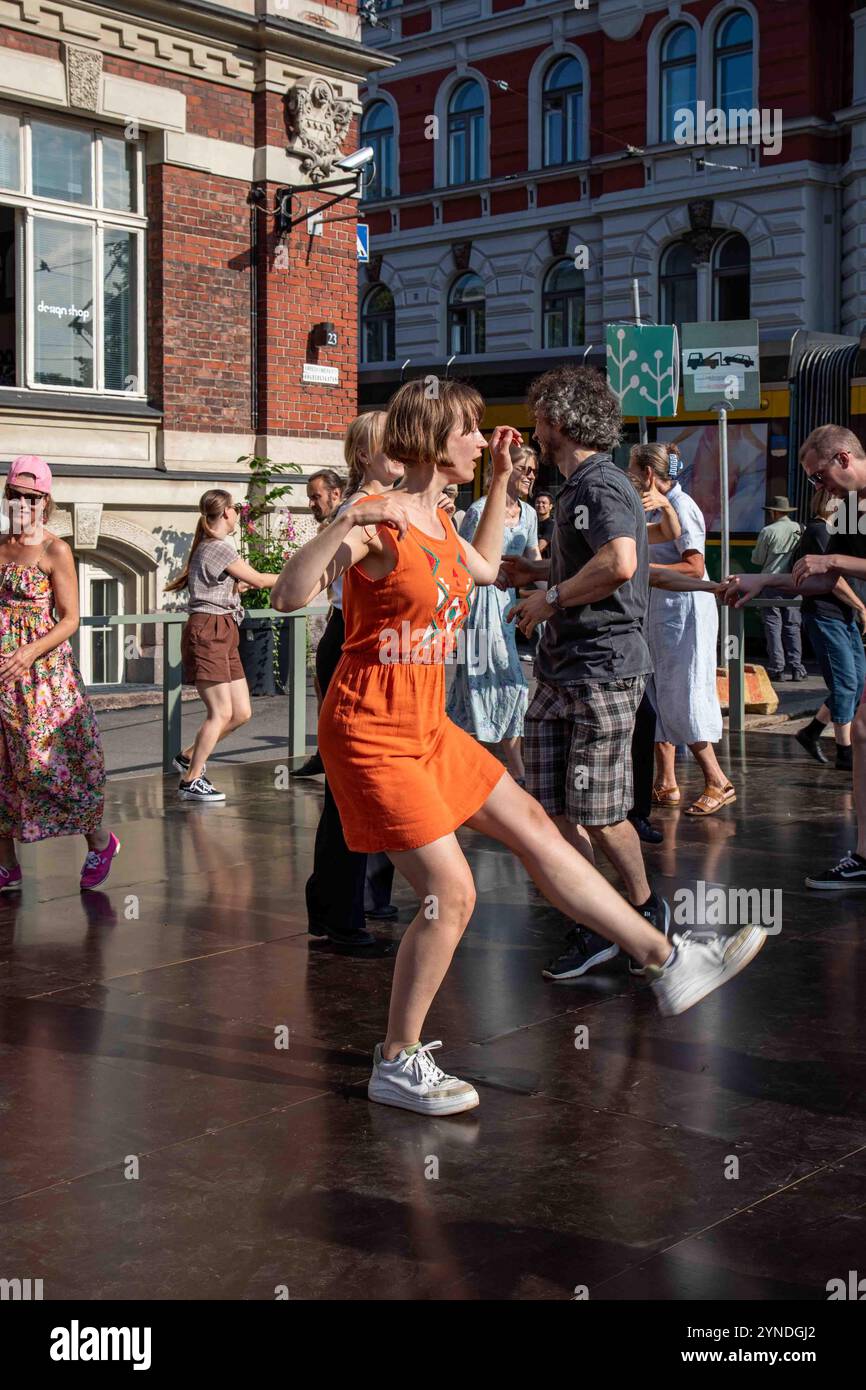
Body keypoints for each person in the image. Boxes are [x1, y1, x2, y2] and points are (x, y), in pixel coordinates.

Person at [271, 377, 764, 1116]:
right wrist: (343, 521)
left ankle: (667, 961)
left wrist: (499, 482)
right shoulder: (381, 523)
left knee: (536, 823)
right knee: (453, 892)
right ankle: (398, 1059)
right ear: (436, 439)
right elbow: (288, 595)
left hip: (428, 725)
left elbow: (481, 568)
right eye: (472, 432)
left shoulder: (437, 519)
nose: (484, 439)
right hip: (370, 732)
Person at [505, 370, 694, 979]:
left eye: (538, 416)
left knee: (601, 808)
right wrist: (530, 573)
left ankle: (646, 910)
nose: (534, 428)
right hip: (564, 669)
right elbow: (599, 565)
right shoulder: (578, 487)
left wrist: (549, 596)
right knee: (553, 805)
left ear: (558, 420)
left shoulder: (601, 483)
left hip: (602, 669)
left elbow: (621, 563)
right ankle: (596, 924)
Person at [724, 425, 866, 889]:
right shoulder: (848, 510)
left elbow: (834, 569)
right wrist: (763, 582)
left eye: (818, 475)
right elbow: (822, 580)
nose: (818, 488)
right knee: (860, 730)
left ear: (843, 459)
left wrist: (836, 563)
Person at [305, 411, 403, 954]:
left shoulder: (396, 503)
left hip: (383, 647)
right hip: (352, 643)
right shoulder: (357, 509)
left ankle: (355, 898)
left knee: (367, 785)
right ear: (363, 454)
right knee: (351, 788)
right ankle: (342, 910)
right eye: (390, 445)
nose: (401, 450)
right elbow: (316, 584)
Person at [0, 455, 119, 891]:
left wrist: (29, 651)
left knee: (46, 764)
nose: (23, 504)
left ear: (45, 502)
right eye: (15, 495)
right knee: (2, 766)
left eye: (32, 498)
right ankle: (6, 864)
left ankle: (101, 842)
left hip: (41, 675)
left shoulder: (55, 549)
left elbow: (69, 619)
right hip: (1, 674)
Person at [628, 443, 735, 818]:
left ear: (649, 475)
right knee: (658, 690)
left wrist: (649, 574)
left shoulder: (682, 506)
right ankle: (667, 781)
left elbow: (694, 567)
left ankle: (717, 780)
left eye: (632, 469)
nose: (629, 475)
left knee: (683, 692)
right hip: (662, 608)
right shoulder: (658, 505)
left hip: (684, 609)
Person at [165, 489, 278, 803]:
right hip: (209, 630)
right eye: (236, 508)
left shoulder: (212, 548)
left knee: (240, 712)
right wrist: (297, 575)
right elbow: (257, 580)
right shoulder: (217, 547)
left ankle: (189, 757)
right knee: (221, 711)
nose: (238, 513)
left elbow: (232, 584)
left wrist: (237, 585)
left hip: (224, 628)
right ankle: (191, 779)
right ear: (227, 512)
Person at [446, 444, 541, 783]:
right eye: (524, 469)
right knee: (504, 681)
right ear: (505, 470)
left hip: (506, 607)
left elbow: (532, 561)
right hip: (479, 604)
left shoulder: (529, 514)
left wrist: (547, 601)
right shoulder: (480, 509)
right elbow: (462, 561)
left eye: (533, 470)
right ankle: (517, 771)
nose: (531, 475)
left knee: (486, 684)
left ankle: (458, 762)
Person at [792, 487, 866, 771]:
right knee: (846, 683)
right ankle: (844, 751)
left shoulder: (837, 532)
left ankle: (812, 730)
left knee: (857, 682)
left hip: (843, 615)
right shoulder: (819, 531)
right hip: (826, 614)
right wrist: (860, 606)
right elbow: (832, 580)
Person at [291, 469, 348, 779]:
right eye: (310, 498)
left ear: (335, 494)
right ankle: (325, 754)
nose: (312, 503)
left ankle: (334, 756)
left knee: (336, 692)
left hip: (349, 617)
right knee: (321, 686)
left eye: (316, 496)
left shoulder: (346, 521)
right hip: (336, 612)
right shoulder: (331, 525)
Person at [751, 496, 805, 681]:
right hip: (793, 582)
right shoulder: (800, 529)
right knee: (793, 626)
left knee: (773, 626)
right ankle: (797, 668)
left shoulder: (768, 531)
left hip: (771, 582)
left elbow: (757, 560)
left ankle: (777, 668)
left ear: (774, 512)